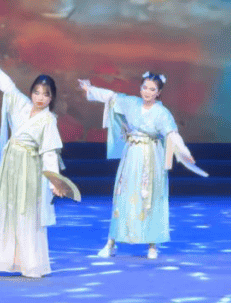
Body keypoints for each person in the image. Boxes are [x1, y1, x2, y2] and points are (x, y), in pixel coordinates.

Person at [79, 71, 203, 259]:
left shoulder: (162, 113)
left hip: (151, 157)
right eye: (145, 87)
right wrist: (90, 89)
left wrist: (184, 152)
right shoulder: (131, 103)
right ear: (140, 88)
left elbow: (172, 134)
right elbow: (111, 97)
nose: (147, 92)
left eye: (152, 89)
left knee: (150, 196)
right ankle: (111, 242)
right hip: (131, 155)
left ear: (158, 92)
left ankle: (152, 245)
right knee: (123, 195)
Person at [0, 46, 66, 278]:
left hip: (29, 169)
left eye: (46, 94)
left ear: (51, 98)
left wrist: (54, 182)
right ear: (31, 92)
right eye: (37, 92)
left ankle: (30, 263)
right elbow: (7, 85)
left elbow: (49, 153)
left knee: (26, 213)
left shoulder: (48, 120)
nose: (40, 98)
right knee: (1, 209)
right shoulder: (21, 104)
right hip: (9, 166)